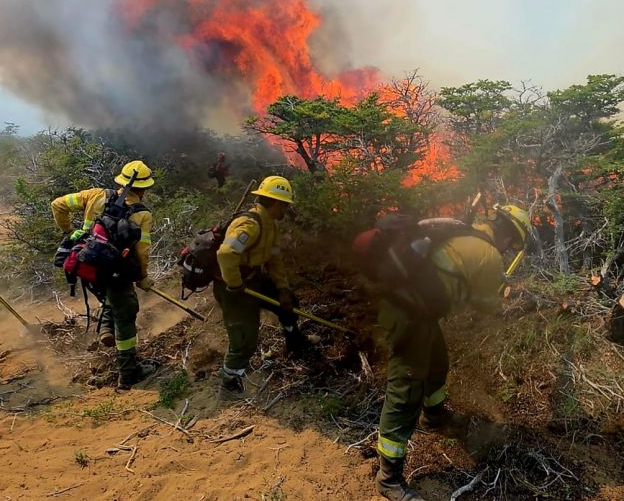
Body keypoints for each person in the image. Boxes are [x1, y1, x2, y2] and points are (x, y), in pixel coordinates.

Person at [351, 205, 530, 501]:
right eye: (513, 245)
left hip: (415, 311)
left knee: (437, 363)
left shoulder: (462, 232)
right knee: (405, 390)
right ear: (509, 238)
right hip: (409, 316)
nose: (510, 251)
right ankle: (388, 478)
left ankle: (433, 416)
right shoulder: (489, 256)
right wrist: (501, 289)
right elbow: (487, 306)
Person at [51, 160, 157, 388]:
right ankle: (129, 373)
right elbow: (142, 250)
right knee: (126, 314)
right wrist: (143, 277)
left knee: (109, 296)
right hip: (116, 272)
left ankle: (106, 329)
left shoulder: (95, 195)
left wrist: (70, 232)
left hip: (85, 264)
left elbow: (58, 204)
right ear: (143, 188)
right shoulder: (142, 214)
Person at [213, 175, 310, 399]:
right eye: (285, 204)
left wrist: (283, 289)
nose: (286, 209)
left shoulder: (270, 225)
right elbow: (226, 254)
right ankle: (229, 383)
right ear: (275, 203)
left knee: (289, 305)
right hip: (232, 287)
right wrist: (235, 284)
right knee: (245, 339)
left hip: (254, 279)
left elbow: (274, 260)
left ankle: (295, 341)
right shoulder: (249, 224)